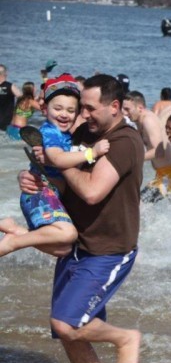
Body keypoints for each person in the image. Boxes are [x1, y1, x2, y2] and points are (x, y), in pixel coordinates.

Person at [17, 74, 144, 363]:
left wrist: (57, 161)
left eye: (89, 108)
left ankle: (125, 337)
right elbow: (60, 181)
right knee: (69, 332)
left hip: (108, 250)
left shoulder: (124, 142)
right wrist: (33, 176)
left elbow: (90, 190)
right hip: (77, 245)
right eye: (80, 108)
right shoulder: (83, 132)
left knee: (66, 323)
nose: (82, 115)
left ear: (114, 107)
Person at [1, 74, 108, 258]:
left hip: (49, 194)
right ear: (44, 109)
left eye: (70, 110)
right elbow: (57, 158)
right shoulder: (51, 132)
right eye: (58, 108)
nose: (64, 114)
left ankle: (17, 232)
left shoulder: (66, 134)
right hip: (41, 192)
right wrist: (92, 153)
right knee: (68, 234)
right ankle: (12, 243)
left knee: (63, 249)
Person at [122, 91, 171, 201]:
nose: (124, 113)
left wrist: (134, 160)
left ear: (140, 108)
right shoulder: (138, 120)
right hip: (163, 174)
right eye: (123, 109)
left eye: (127, 109)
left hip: (169, 175)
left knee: (139, 204)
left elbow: (159, 151)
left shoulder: (148, 120)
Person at [0, 64, 23, 133]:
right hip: (7, 120)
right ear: (5, 74)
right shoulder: (10, 86)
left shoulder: (10, 86)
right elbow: (22, 98)